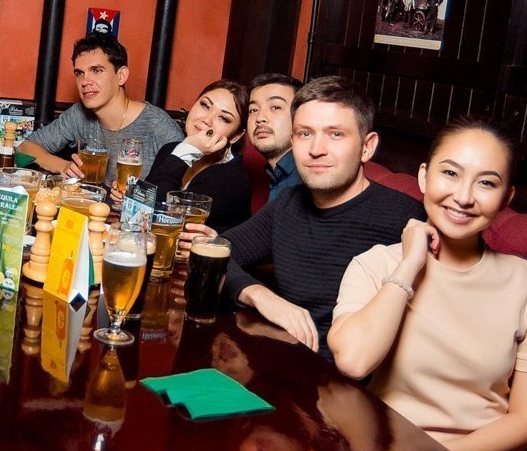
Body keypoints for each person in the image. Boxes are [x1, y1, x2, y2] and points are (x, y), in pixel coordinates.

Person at [328, 119, 527, 451]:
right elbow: (353, 360)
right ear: (424, 176)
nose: (463, 197)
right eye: (450, 173)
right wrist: (408, 266)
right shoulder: (375, 265)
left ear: (506, 197)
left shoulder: (524, 283)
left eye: (486, 183)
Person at [219, 76, 425, 358]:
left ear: (367, 146)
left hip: (353, 375)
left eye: (335, 134)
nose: (316, 150)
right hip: (286, 361)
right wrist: (259, 295)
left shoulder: (406, 217)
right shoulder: (288, 205)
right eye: (305, 134)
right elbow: (216, 251)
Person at [17, 34, 182, 184]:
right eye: (79, 73)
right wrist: (63, 166)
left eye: (96, 71)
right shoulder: (79, 114)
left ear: (121, 76)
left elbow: (183, 189)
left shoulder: (159, 126)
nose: (85, 81)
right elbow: (25, 148)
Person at [145, 79, 251, 230]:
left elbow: (162, 220)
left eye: (224, 118)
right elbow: (144, 202)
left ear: (236, 136)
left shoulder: (232, 178)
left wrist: (187, 150)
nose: (207, 120)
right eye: (205, 105)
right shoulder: (170, 150)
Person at [246, 73, 304, 201]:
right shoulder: (278, 176)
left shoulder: (309, 180)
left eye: (276, 107)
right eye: (253, 110)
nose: (260, 118)